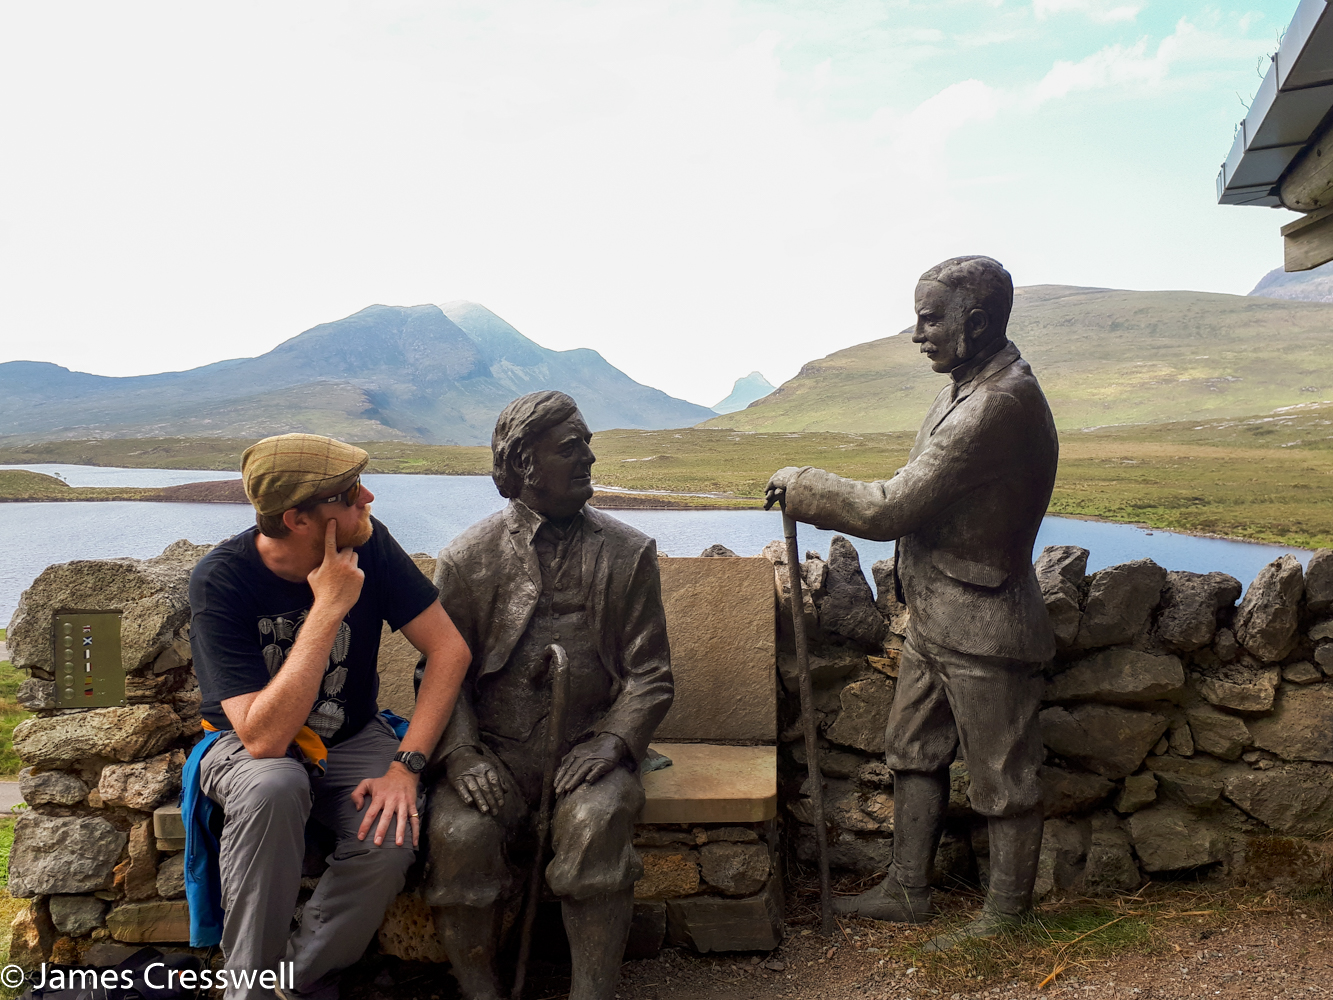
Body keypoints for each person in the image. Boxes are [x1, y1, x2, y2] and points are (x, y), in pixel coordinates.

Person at [766, 256, 1058, 949]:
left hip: (985, 621)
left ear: (976, 322)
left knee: (1002, 776)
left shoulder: (997, 403)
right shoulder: (964, 384)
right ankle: (907, 888)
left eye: (930, 318)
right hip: (936, 615)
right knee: (910, 750)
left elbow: (896, 504)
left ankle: (1007, 918)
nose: (916, 332)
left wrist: (806, 485)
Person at [188, 433, 471, 1000]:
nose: (367, 497)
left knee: (390, 838)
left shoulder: (372, 544)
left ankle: (287, 981)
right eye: (346, 494)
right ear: (297, 519)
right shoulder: (221, 579)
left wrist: (405, 767)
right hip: (243, 746)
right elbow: (262, 739)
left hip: (353, 736)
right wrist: (330, 607)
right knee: (275, 785)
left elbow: (449, 651)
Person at [423, 390, 673, 1000]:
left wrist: (614, 742)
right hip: (495, 755)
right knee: (459, 838)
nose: (588, 457)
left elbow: (651, 675)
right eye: (571, 447)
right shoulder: (467, 557)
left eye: (587, 442)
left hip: (588, 750)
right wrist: (460, 755)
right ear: (525, 464)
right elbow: (438, 673)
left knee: (598, 820)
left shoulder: (628, 551)